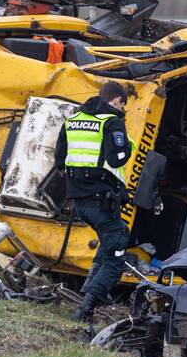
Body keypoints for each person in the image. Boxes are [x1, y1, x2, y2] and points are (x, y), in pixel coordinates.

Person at [53, 81, 133, 321]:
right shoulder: (112, 122)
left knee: (108, 242)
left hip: (80, 201)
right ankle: (86, 309)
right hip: (101, 199)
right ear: (118, 100)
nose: (124, 108)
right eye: (124, 104)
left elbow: (59, 160)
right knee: (117, 249)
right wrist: (128, 146)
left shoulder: (73, 120)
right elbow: (118, 158)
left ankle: (91, 290)